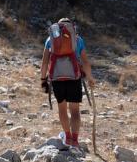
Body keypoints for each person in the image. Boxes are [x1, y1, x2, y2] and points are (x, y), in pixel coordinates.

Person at [40, 18, 96, 147]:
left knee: (62, 108)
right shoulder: (78, 40)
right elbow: (86, 63)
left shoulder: (50, 40)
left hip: (57, 79)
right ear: (72, 27)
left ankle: (68, 137)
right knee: (75, 111)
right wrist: (90, 78)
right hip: (74, 79)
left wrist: (43, 80)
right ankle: (75, 140)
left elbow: (44, 63)